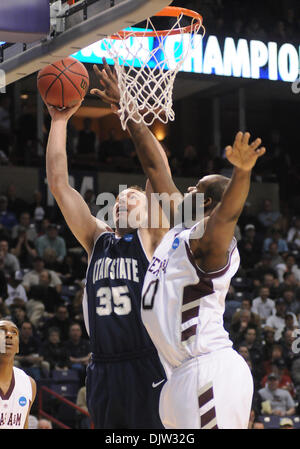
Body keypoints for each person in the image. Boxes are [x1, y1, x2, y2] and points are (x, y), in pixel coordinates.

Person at [43, 60, 171, 429]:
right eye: (118, 198)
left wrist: (131, 113)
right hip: (101, 365)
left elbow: (157, 173)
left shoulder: (151, 238)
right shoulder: (96, 239)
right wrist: (60, 121)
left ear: (147, 210)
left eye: (131, 197)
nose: (121, 200)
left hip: (145, 360)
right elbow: (59, 184)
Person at [0, 320, 36, 428]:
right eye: (2, 331)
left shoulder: (29, 383)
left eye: (14, 332)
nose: (9, 335)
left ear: (18, 347)